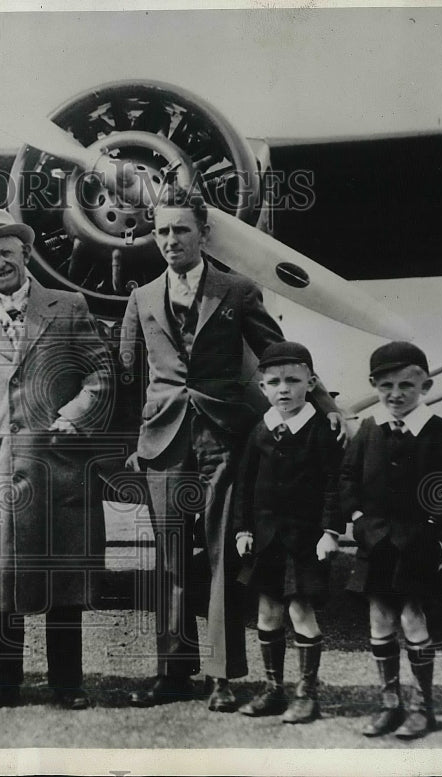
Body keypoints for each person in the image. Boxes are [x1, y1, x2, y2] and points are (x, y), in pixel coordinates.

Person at [119, 187, 343, 711]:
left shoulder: (238, 290)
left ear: (203, 234)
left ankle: (222, 675)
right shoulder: (140, 298)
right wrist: (136, 440)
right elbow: (130, 377)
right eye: (162, 231)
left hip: (225, 435)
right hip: (163, 438)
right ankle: (172, 672)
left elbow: (278, 354)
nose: (171, 240)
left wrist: (327, 406)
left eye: (181, 230)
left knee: (223, 556)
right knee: (169, 559)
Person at [0, 208, 113, 711]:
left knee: (64, 580)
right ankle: (2, 684)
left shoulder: (68, 305)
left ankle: (67, 683)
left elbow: (99, 374)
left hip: (60, 466)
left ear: (25, 252)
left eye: (7, 252)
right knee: (0, 582)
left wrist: (75, 416)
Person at [341, 341, 442, 739]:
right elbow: (347, 477)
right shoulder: (368, 428)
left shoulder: (439, 431)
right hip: (374, 542)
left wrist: (433, 519)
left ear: (426, 386)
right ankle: (389, 703)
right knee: (379, 616)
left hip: (415, 541)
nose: (395, 394)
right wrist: (358, 517)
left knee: (412, 616)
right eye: (386, 386)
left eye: (406, 386)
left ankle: (423, 707)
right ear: (373, 385)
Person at [232, 342, 344, 723]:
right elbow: (244, 485)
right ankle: (273, 688)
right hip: (266, 540)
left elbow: (334, 485)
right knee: (267, 611)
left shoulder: (321, 431)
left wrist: (331, 531)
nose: (284, 389)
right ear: (262, 387)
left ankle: (306, 693)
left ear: (310, 383)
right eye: (274, 382)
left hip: (305, 541)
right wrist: (243, 529)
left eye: (293, 380)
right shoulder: (260, 431)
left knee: (301, 610)